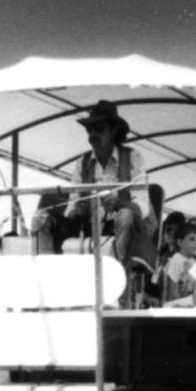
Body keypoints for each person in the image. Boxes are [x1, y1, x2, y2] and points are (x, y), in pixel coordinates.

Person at [31, 100, 149, 271]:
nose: (92, 134)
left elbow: (142, 207)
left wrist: (118, 204)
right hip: (86, 226)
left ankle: (119, 284)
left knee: (125, 215)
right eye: (89, 129)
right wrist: (76, 211)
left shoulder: (132, 157)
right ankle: (46, 278)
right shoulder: (82, 163)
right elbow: (72, 205)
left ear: (113, 130)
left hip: (120, 226)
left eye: (99, 129)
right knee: (41, 217)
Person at [161, 218, 196, 302]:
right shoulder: (177, 259)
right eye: (192, 239)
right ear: (180, 242)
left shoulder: (193, 261)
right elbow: (170, 287)